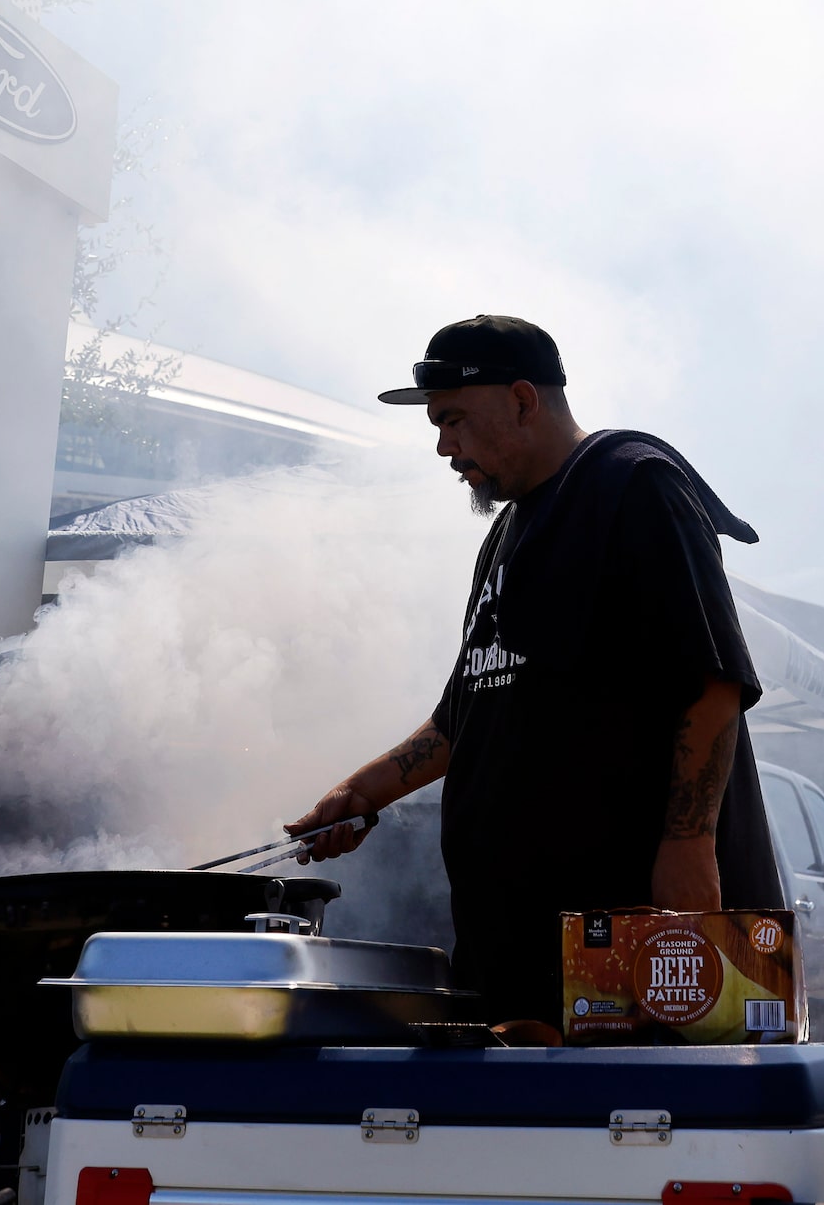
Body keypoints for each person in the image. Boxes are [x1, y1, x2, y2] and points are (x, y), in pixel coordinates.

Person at [288, 315, 782, 1029]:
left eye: (453, 419)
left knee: (641, 1132)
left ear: (523, 399)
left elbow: (710, 682)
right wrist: (360, 792)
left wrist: (685, 845)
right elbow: (465, 716)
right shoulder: (508, 534)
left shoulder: (634, 487)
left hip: (635, 944)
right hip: (518, 949)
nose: (442, 447)